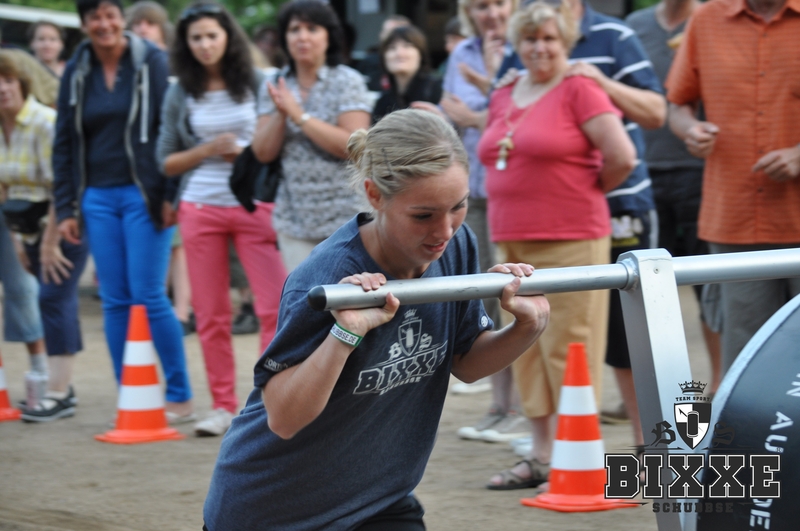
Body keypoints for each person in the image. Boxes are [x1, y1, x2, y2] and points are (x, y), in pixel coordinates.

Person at [202, 108, 551, 531]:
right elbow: (284, 418)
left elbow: (465, 363)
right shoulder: (328, 278)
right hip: (275, 510)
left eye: (457, 207)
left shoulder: (456, 247)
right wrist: (344, 333)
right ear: (374, 195)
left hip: (377, 502)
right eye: (423, 215)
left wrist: (526, 327)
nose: (444, 230)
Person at [479, 1, 637, 489]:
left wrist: (576, 194)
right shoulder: (505, 91)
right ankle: (542, 455)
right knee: (524, 346)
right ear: (517, 44)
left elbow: (622, 157)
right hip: (512, 242)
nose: (540, 47)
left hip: (572, 239)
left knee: (571, 349)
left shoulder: (580, 87)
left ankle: (579, 460)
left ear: (566, 41)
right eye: (530, 38)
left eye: (549, 38)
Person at [53, 0, 194, 422]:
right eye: (94, 16)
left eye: (110, 14)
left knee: (148, 294)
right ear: (84, 23)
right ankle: (131, 392)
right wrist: (65, 206)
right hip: (95, 196)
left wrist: (170, 194)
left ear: (122, 18)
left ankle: (179, 394)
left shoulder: (151, 61)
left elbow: (173, 129)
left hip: (144, 194)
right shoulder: (77, 70)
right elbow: (64, 140)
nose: (104, 23)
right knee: (114, 300)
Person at [157, 1, 287, 437]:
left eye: (212, 35)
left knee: (273, 307)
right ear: (185, 45)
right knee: (211, 314)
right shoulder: (181, 91)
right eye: (196, 38)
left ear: (228, 37)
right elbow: (166, 161)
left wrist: (245, 153)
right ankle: (222, 405)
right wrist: (208, 150)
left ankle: (268, 401)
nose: (205, 44)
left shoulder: (259, 80)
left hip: (254, 204)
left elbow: (276, 145)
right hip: (200, 206)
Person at [665, 0, 800, 373]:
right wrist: (691, 130)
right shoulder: (707, 20)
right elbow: (677, 106)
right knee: (746, 359)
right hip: (735, 219)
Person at [419, 0, 527, 443]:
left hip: (515, 191)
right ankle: (499, 405)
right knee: (484, 295)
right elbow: (451, 123)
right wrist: (448, 119)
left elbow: (522, 119)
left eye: (498, 3)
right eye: (481, 5)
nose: (491, 13)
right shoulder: (462, 52)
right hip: (468, 193)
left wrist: (474, 115)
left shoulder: (529, 46)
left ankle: (522, 408)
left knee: (517, 293)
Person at [612, 0, 721, 442]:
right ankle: (652, 395)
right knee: (649, 290)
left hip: (703, 172)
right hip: (645, 175)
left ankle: (718, 386)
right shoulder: (634, 26)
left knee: (709, 287)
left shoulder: (715, 19)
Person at [0, 52, 90, 421]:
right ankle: (58, 386)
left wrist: (51, 242)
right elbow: (5, 191)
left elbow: (62, 187)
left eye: (8, 80)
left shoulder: (43, 122)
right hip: (28, 229)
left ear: (21, 83)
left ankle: (58, 393)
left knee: (53, 298)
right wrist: (19, 243)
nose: (2, 88)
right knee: (51, 301)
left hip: (66, 220)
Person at [252, 0, 372, 272]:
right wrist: (281, 114)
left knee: (350, 296)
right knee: (304, 297)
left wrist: (299, 115)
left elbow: (353, 146)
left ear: (328, 36)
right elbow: (262, 153)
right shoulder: (276, 85)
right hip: (294, 220)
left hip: (347, 218)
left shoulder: (347, 80)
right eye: (294, 29)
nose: (302, 37)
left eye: (312, 28)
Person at [371, 25, 442, 123]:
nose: (399, 53)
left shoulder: (438, 90)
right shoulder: (383, 100)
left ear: (421, 54)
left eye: (407, 46)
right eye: (392, 48)